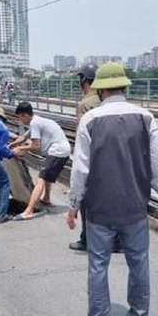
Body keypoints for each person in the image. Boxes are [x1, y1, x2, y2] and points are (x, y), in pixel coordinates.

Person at [66, 62, 158, 316]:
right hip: (135, 207)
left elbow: (80, 168)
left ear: (100, 90)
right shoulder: (146, 118)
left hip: (100, 209)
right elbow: (157, 162)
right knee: (139, 263)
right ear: (125, 86)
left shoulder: (90, 120)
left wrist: (74, 204)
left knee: (98, 266)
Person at [9, 102, 71, 221]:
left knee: (40, 179)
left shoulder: (35, 123)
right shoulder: (38, 121)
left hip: (57, 151)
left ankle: (28, 211)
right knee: (46, 176)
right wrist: (10, 145)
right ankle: (47, 198)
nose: (20, 121)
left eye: (20, 117)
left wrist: (20, 148)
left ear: (25, 115)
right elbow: (23, 137)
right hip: (61, 150)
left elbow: (36, 145)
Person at [69, 63, 100, 251]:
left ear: (84, 80)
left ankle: (87, 239)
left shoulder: (85, 103)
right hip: (108, 158)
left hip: (91, 158)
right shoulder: (104, 100)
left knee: (85, 201)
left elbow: (82, 135)